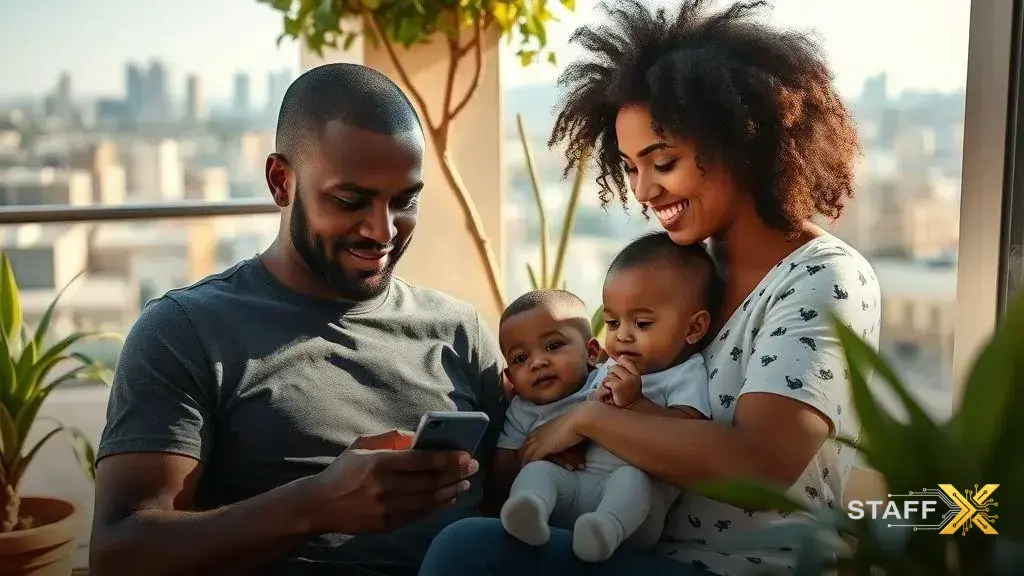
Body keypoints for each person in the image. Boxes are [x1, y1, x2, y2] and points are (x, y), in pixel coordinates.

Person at [419, 1, 881, 575]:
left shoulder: (822, 278)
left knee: (468, 551)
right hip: (640, 548)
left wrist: (588, 420)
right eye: (630, 167)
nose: (644, 191)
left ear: (740, 139)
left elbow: (761, 468)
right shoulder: (685, 272)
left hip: (748, 569)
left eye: (662, 162)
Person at [89, 63, 507, 576]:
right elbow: (118, 554)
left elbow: (515, 504)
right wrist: (315, 505)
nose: (382, 230)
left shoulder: (459, 331)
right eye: (350, 201)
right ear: (281, 181)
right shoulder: (186, 332)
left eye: (404, 201)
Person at [495, 234, 719, 563]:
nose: (622, 335)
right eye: (612, 322)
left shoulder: (686, 373)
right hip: (576, 490)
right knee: (540, 474)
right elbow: (576, 420)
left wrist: (636, 404)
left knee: (634, 480)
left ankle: (603, 531)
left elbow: (690, 434)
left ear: (694, 327)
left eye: (641, 323)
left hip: (631, 516)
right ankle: (530, 510)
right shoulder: (608, 368)